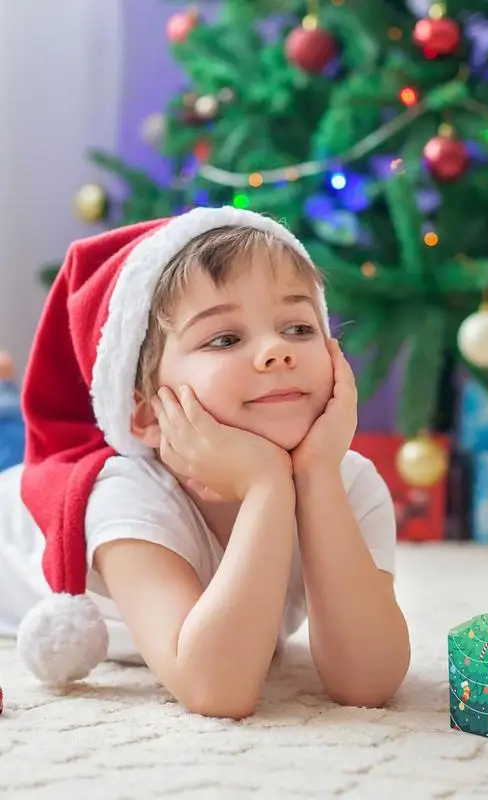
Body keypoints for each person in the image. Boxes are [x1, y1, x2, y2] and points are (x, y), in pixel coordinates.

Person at [0, 206, 410, 719]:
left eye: (299, 328)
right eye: (225, 338)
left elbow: (368, 682)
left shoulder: (343, 480)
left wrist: (315, 478)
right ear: (146, 413)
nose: (276, 351)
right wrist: (266, 486)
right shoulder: (125, 494)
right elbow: (216, 688)